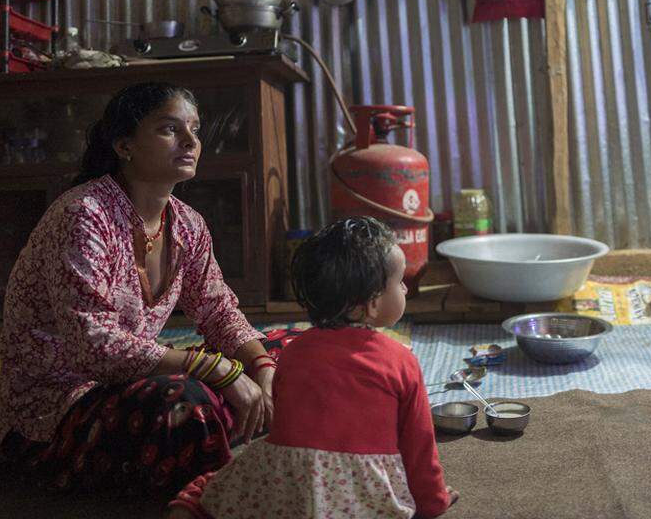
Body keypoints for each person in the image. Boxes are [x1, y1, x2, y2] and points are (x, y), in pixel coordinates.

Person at [0, 82, 299, 496]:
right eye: (170, 129)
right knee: (184, 403)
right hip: (62, 405)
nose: (190, 141)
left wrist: (261, 368)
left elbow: (217, 311)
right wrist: (215, 368)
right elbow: (94, 347)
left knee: (298, 353)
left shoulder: (187, 224)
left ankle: (229, 425)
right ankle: (212, 460)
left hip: (131, 380)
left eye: (194, 129)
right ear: (124, 145)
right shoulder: (84, 215)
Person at [168, 217, 457, 519]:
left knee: (211, 488)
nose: (405, 291)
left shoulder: (293, 353)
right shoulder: (402, 360)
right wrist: (433, 502)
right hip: (362, 496)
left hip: (288, 488)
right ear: (370, 305)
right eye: (400, 282)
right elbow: (420, 448)